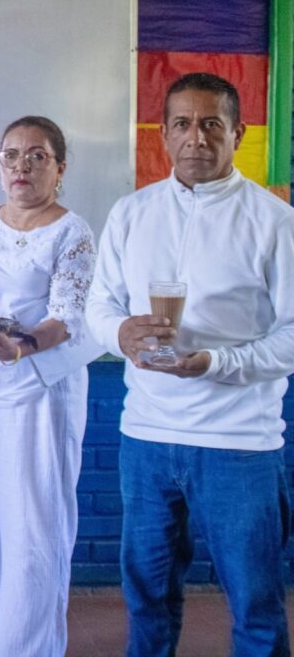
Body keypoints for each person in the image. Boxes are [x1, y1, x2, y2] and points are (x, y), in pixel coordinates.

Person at [86, 72, 294, 656]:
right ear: (163, 133)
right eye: (181, 124)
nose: (195, 138)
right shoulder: (132, 213)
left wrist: (216, 362)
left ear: (238, 133)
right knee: (147, 597)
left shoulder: (275, 222)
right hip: (147, 437)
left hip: (239, 443)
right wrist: (120, 332)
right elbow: (99, 304)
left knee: (254, 603)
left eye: (211, 124)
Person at [0, 116, 100, 656]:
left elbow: (68, 316)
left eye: (36, 156)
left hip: (37, 395)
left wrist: (22, 345)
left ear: (59, 167)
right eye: (11, 156)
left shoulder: (72, 230)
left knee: (33, 537)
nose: (22, 167)